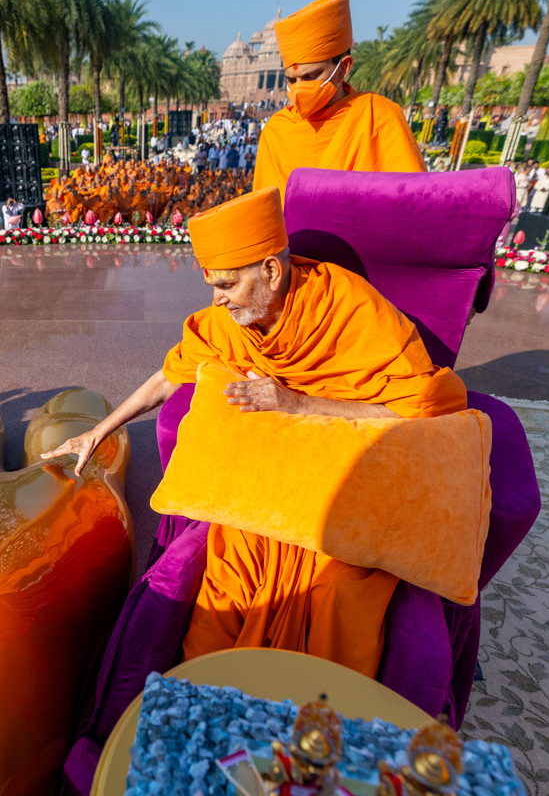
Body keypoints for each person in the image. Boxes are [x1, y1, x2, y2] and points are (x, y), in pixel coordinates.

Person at [45, 188, 466, 713]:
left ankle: (314, 730)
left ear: (270, 270)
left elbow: (422, 412)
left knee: (339, 602)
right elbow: (168, 377)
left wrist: (298, 403)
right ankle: (207, 716)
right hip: (268, 489)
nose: (217, 300)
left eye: (226, 285)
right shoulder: (231, 320)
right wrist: (99, 431)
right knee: (223, 583)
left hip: (343, 490)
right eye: (212, 285)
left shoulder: (353, 310)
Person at [253, 0, 424, 197]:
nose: (299, 89)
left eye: (311, 76)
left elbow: (413, 200)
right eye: (291, 80)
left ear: (344, 68)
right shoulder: (275, 132)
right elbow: (266, 210)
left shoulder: (379, 118)